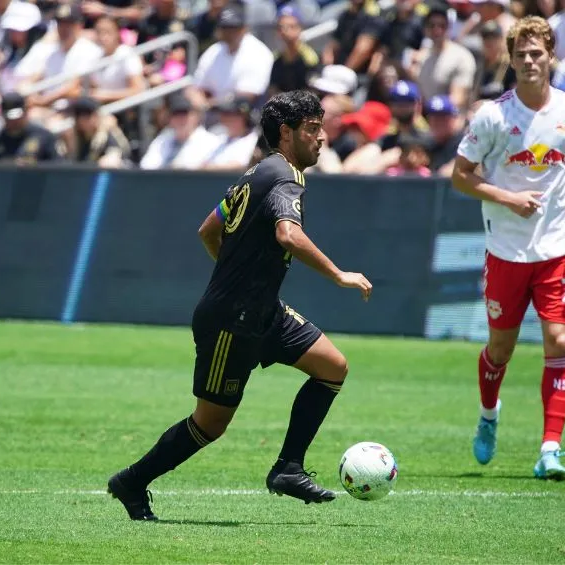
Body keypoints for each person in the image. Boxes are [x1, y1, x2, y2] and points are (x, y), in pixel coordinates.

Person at [108, 90, 373, 520]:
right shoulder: (285, 176)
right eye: (312, 129)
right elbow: (288, 235)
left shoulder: (255, 174)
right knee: (211, 424)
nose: (322, 138)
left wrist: (240, 272)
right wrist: (339, 274)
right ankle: (132, 481)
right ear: (286, 134)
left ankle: (288, 467)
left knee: (332, 367)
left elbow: (208, 229)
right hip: (232, 320)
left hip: (262, 310)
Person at [451, 16, 565, 481]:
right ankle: (488, 415)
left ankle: (550, 449)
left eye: (537, 53)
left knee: (558, 340)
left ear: (551, 56)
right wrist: (508, 198)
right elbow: (460, 175)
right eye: (521, 55)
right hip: (507, 249)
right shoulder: (493, 116)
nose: (530, 61)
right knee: (501, 348)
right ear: (511, 60)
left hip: (559, 245)